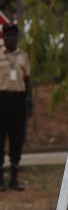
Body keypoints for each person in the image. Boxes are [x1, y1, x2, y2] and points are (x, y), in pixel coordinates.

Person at [0, 23, 31, 191]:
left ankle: (14, 179)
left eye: (13, 36)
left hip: (18, 101)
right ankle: (0, 180)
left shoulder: (23, 56)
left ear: (17, 37)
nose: (10, 38)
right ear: (3, 38)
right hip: (1, 99)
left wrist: (30, 101)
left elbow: (28, 80)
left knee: (17, 140)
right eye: (7, 36)